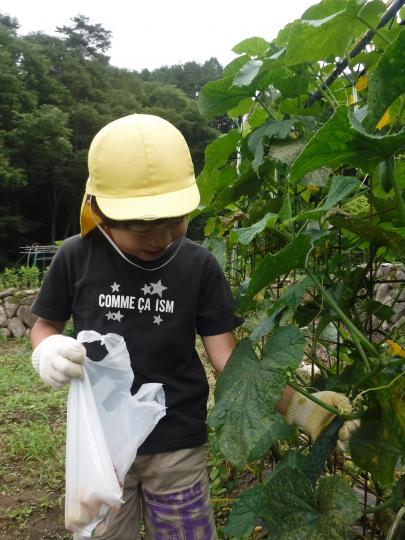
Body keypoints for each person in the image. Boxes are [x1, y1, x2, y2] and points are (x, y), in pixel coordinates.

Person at [30, 114, 356, 540]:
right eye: (141, 226)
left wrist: (302, 407)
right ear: (99, 211)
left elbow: (228, 358)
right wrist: (47, 351)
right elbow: (45, 325)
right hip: (100, 442)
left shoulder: (198, 265)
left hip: (177, 440)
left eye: (174, 220)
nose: (161, 237)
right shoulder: (75, 256)